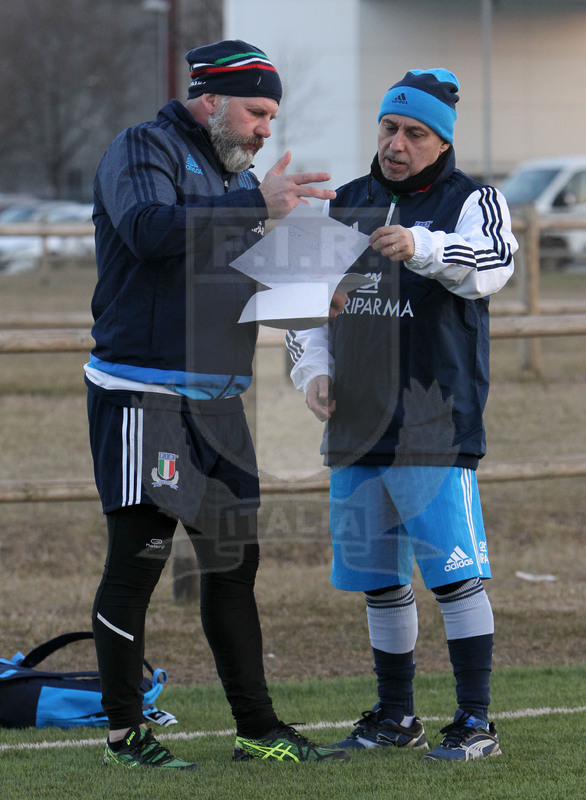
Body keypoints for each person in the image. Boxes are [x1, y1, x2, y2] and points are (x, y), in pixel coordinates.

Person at [86, 39, 351, 770]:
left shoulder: (234, 174)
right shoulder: (142, 148)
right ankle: (124, 735)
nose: (267, 129)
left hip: (221, 405)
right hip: (145, 395)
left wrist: (304, 297)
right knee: (138, 563)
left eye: (273, 115)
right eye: (256, 111)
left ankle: (257, 730)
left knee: (232, 566)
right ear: (210, 101)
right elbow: (146, 232)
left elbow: (223, 286)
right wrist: (250, 204)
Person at [288, 68, 518, 762]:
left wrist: (421, 246)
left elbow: (493, 266)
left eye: (415, 133)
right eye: (390, 128)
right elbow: (305, 306)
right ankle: (395, 717)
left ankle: (476, 722)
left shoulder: (473, 200)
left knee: (452, 572)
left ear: (441, 141)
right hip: (356, 425)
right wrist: (314, 370)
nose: (397, 143)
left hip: (433, 419)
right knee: (379, 577)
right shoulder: (342, 205)